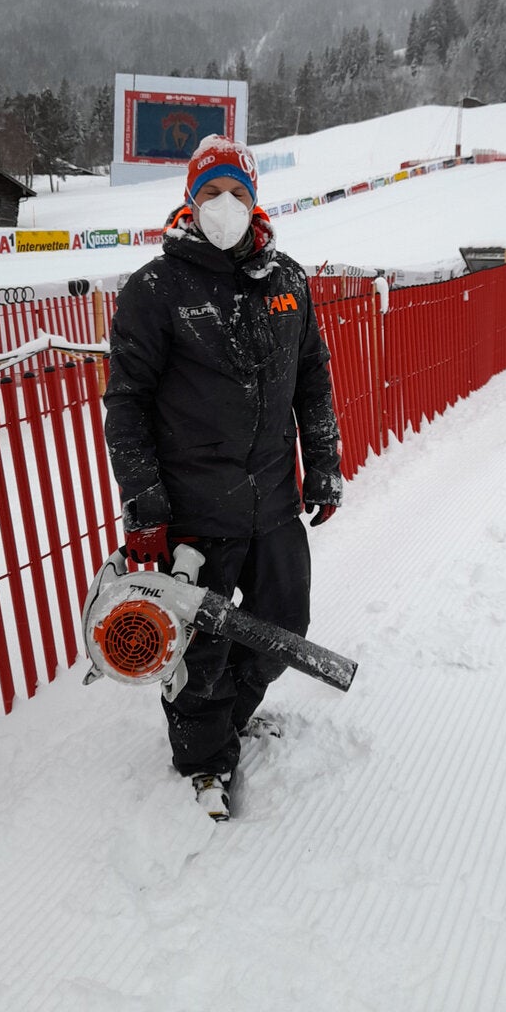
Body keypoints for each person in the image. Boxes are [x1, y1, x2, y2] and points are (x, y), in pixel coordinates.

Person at [103, 135, 343, 821]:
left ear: (255, 200)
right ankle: (204, 762)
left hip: (272, 505)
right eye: (211, 194)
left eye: (237, 192)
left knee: (282, 624)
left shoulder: (288, 284)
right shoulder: (156, 290)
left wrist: (322, 465)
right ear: (189, 201)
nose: (225, 206)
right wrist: (145, 504)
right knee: (199, 643)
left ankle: (228, 717)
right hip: (193, 513)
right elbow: (127, 402)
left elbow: (313, 380)